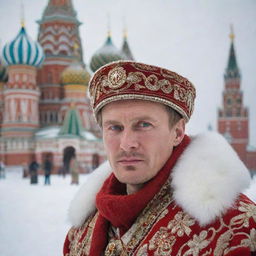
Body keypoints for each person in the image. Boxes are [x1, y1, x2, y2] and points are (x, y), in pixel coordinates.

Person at [63, 61, 256, 256]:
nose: (127, 143)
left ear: (178, 133)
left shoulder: (236, 229)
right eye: (114, 127)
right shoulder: (81, 231)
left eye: (144, 125)